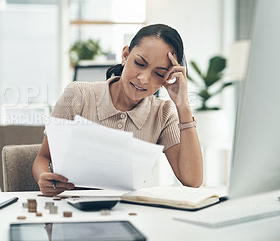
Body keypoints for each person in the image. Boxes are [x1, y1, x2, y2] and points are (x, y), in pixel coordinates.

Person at [32, 24, 203, 196]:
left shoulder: (163, 113)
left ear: (168, 77)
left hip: (127, 212)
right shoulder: (78, 95)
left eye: (159, 74)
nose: (143, 79)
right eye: (139, 63)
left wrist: (183, 106)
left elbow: (192, 181)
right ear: (125, 55)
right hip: (73, 210)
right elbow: (43, 158)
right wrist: (44, 177)